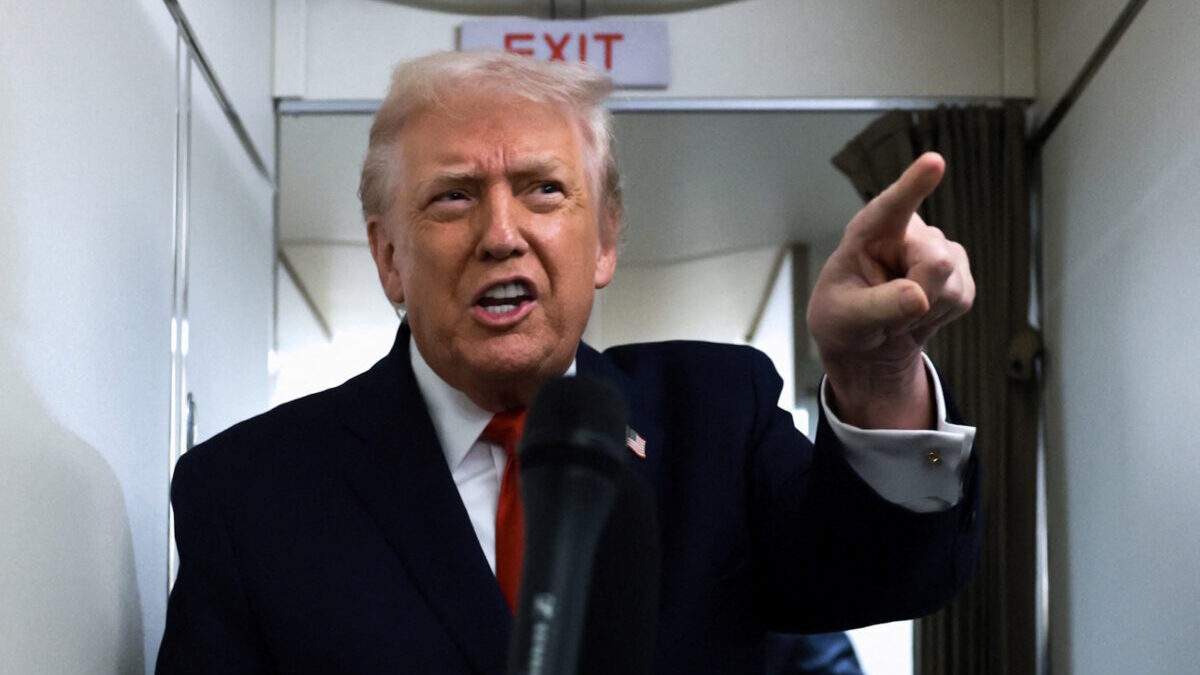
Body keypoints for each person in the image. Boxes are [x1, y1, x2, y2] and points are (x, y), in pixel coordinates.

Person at [157, 51, 980, 674]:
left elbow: (888, 574)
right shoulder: (247, 494)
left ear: (606, 240)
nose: (501, 234)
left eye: (544, 190)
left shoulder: (715, 419)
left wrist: (879, 378)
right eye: (454, 196)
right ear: (389, 258)